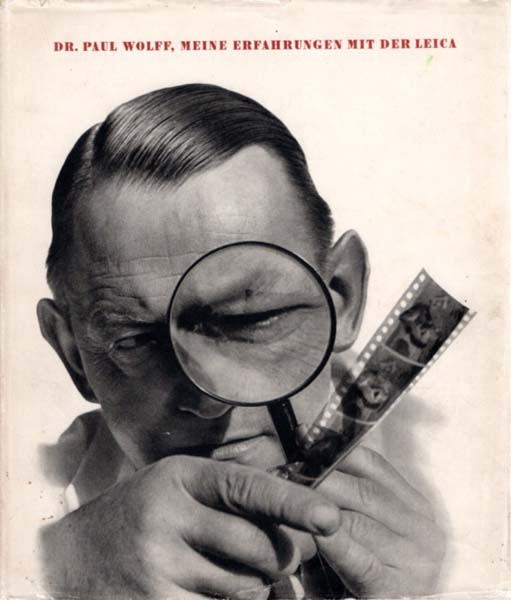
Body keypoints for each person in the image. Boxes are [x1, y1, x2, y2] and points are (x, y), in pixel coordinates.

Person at [37, 84, 445, 599]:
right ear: (74, 354)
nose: (210, 399)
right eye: (138, 341)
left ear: (342, 297)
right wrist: (55, 575)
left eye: (251, 320)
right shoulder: (29, 511)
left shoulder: (474, 485)